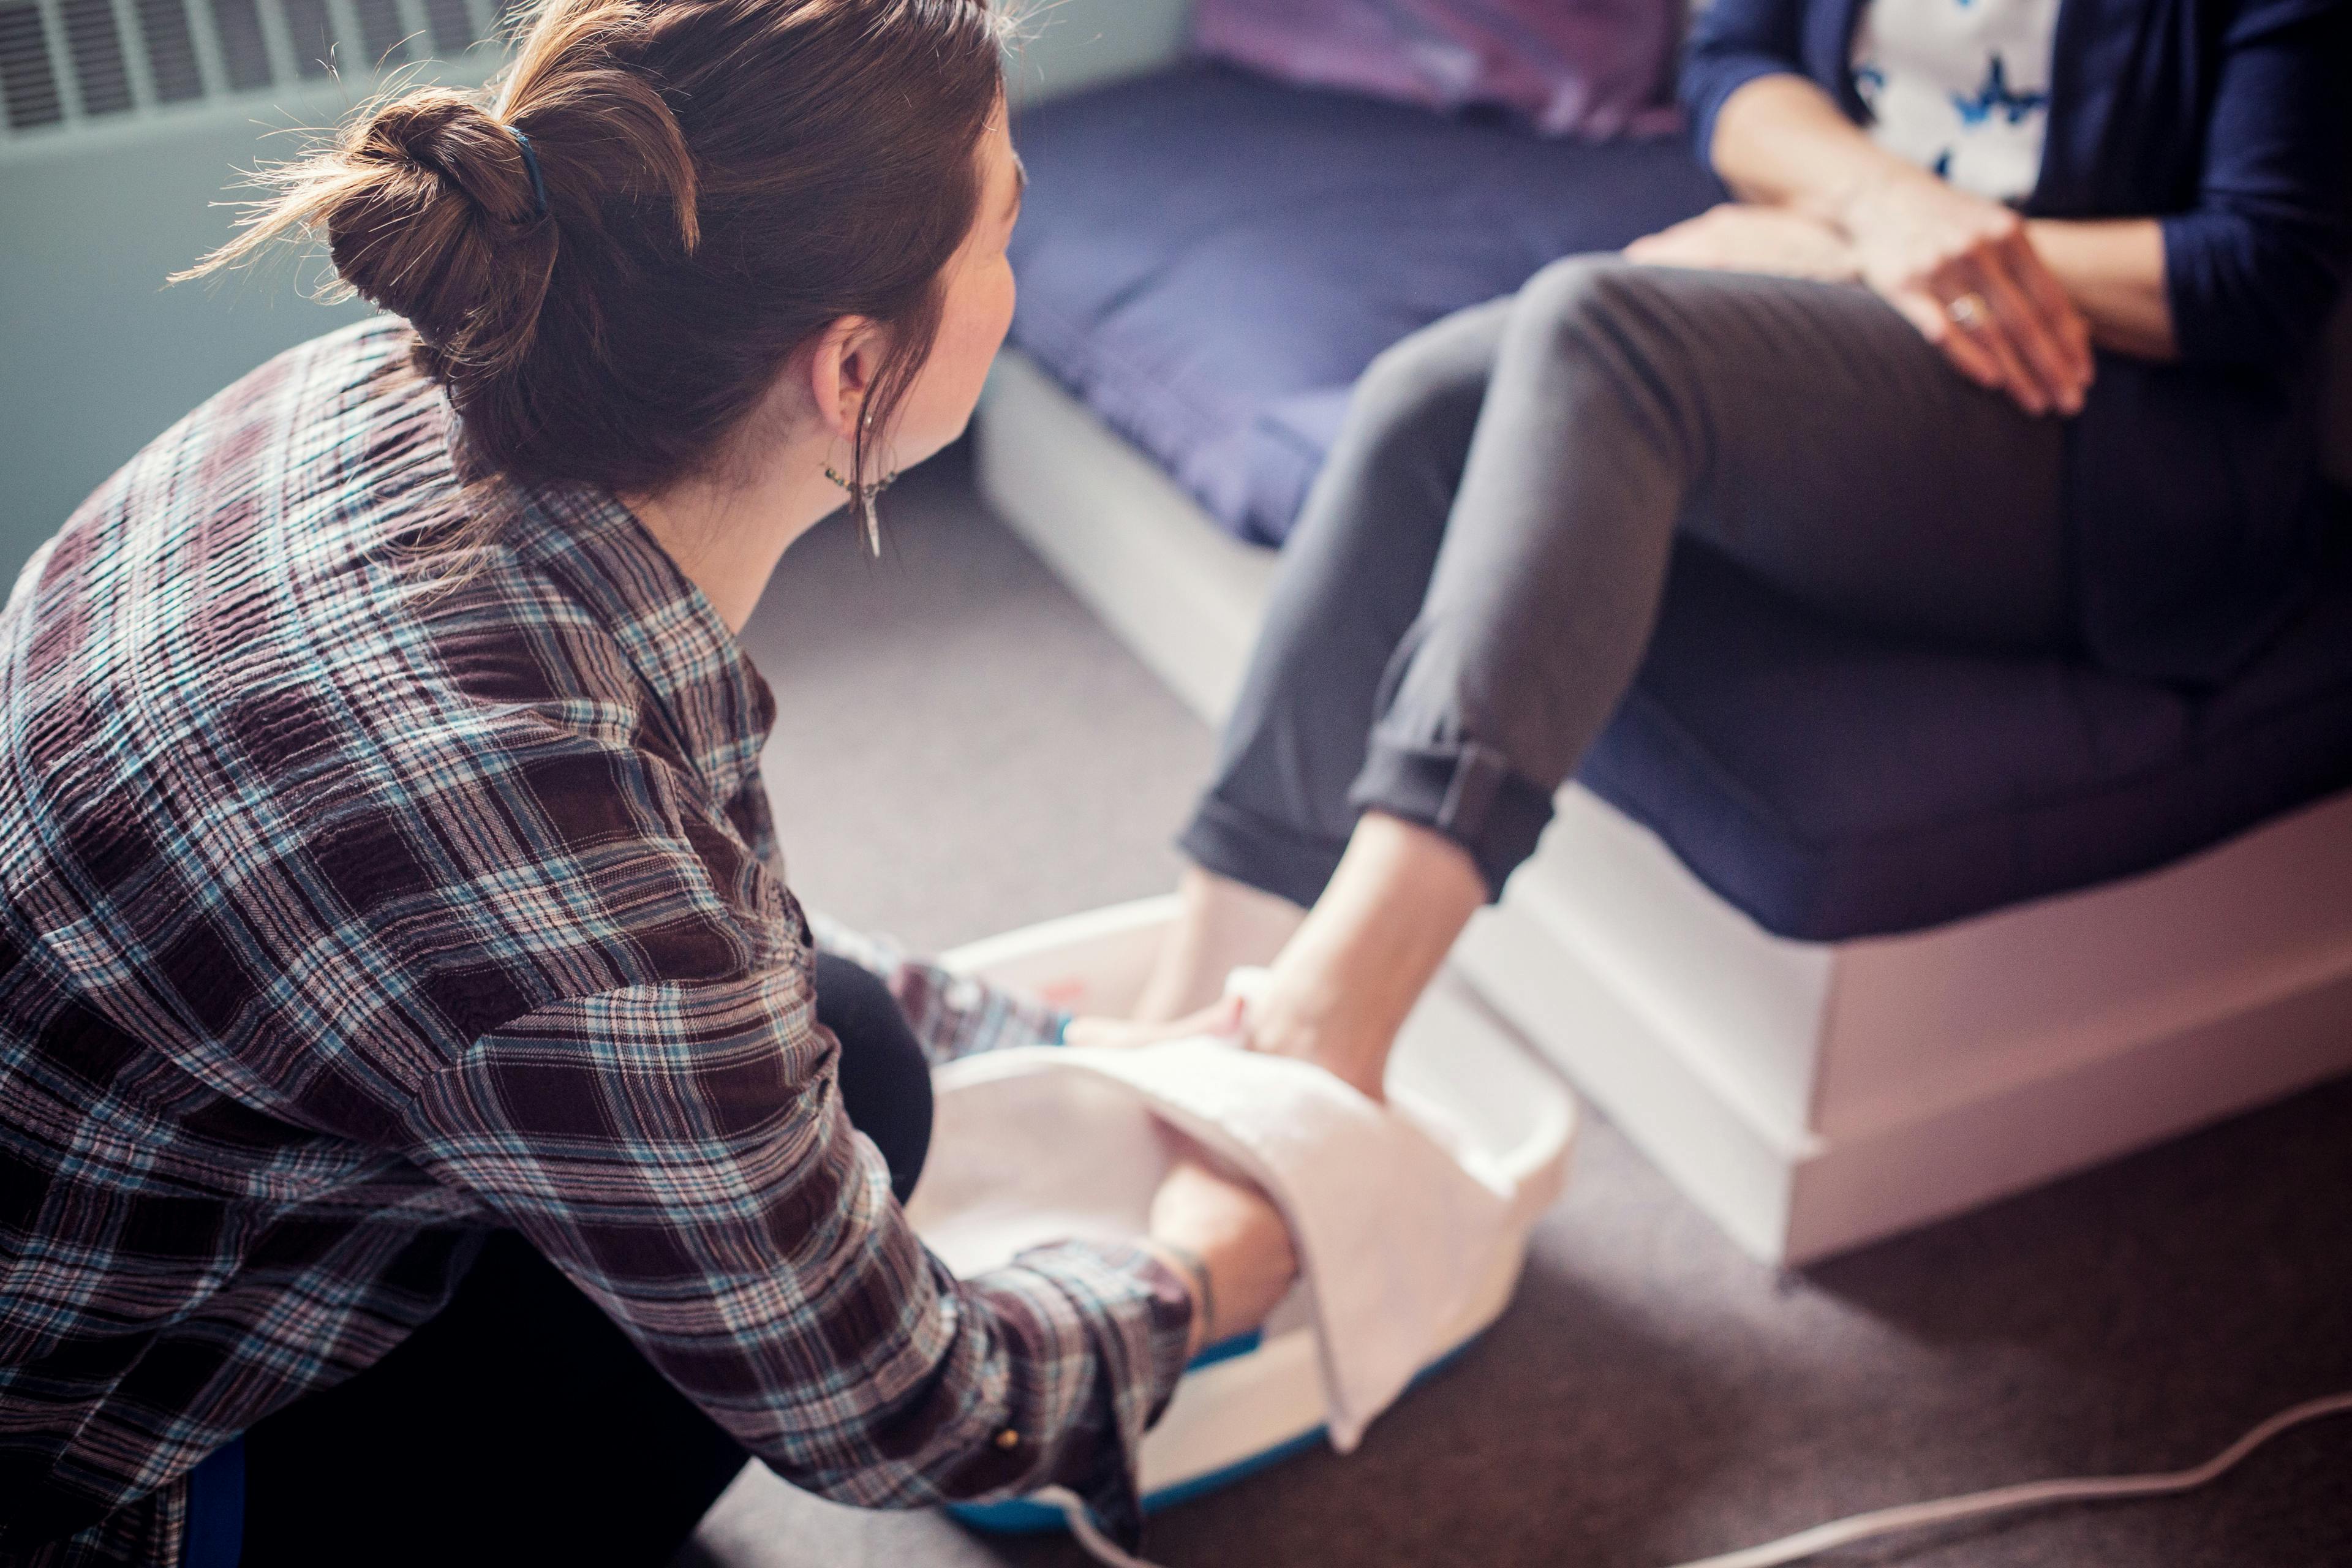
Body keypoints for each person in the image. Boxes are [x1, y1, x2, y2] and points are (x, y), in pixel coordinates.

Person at [0, 2, 1297, 1564]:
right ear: (858, 365)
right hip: (93, 1494)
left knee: (860, 1041)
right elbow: (910, 1407)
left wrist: (1072, 1041)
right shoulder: (540, 834)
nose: (1023, 276)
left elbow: (704, 952)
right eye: (1005, 231)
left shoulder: (371, 389)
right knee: (859, 1100)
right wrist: (1201, 1274)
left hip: (106, 1256)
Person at [1123, 0, 2351, 1096]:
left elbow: (2258, 272)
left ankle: (1338, 1018)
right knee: (1430, 394)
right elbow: (1734, 63)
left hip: (2106, 426)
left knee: (1600, 330)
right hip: (1868, 292)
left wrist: (1902, 246)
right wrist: (1882, 209)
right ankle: (1198, 992)